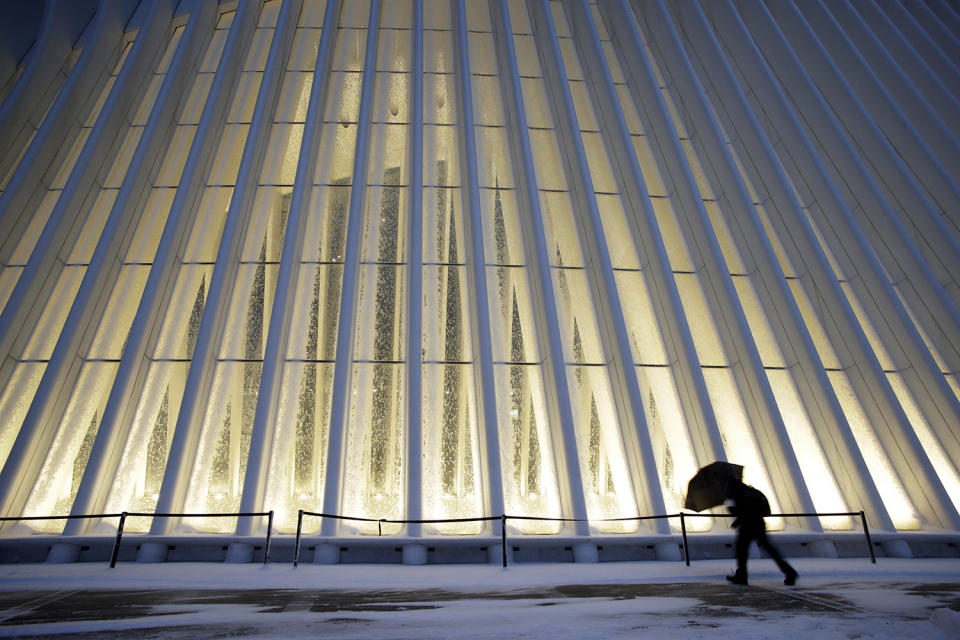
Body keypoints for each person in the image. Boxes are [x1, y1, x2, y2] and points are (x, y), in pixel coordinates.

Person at [725, 481, 797, 586]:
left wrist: (732, 510)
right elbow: (750, 510)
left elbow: (745, 511)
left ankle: (742, 575)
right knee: (767, 549)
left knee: (742, 550)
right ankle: (789, 572)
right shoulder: (750, 492)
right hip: (758, 524)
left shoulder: (739, 494)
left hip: (748, 525)